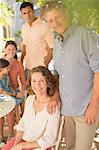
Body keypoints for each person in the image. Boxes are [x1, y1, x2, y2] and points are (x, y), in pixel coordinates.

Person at [44, 2, 99, 150]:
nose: (55, 23)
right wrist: (55, 95)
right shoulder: (56, 42)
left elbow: (98, 71)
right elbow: (59, 75)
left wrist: (93, 106)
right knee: (69, 147)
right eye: (50, 20)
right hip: (67, 110)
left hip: (85, 109)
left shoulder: (85, 35)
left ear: (67, 15)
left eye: (58, 17)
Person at [2, 66, 60, 150]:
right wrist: (16, 144)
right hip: (22, 141)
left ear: (48, 83)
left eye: (42, 81)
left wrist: (21, 146)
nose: (37, 85)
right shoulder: (30, 99)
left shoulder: (53, 106)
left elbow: (49, 139)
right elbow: (22, 125)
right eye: (34, 81)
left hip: (39, 147)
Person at [20, 2, 54, 78]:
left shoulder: (44, 26)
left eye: (29, 12)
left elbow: (51, 48)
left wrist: (45, 65)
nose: (27, 15)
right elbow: (25, 45)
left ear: (33, 11)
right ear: (22, 15)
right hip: (28, 67)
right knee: (29, 89)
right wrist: (21, 60)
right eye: (24, 13)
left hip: (41, 67)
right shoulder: (24, 27)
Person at [4, 40, 26, 115]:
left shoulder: (19, 64)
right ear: (5, 50)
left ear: (16, 50)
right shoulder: (1, 62)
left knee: (23, 99)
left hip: (15, 89)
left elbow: (23, 82)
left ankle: (23, 120)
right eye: (9, 49)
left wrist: (22, 91)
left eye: (13, 49)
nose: (11, 51)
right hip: (3, 90)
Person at [0, 59, 15, 145]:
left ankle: (10, 132)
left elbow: (9, 85)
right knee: (1, 114)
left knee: (10, 111)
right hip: (2, 97)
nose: (8, 69)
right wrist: (11, 94)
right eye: (6, 68)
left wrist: (12, 90)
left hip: (6, 96)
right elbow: (1, 91)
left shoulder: (6, 76)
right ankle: (1, 135)